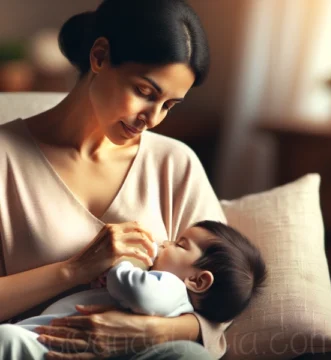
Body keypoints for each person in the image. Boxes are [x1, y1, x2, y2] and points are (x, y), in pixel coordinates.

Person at [0, 0, 235, 359]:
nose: (152, 118)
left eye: (169, 105)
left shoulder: (175, 164)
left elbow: (223, 302)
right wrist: (74, 270)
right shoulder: (5, 158)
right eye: (145, 92)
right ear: (99, 56)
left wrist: (149, 332)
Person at [16, 221, 267, 332]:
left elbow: (137, 291)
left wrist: (122, 263)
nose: (165, 243)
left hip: (52, 340)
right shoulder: (170, 298)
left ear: (198, 281)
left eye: (179, 244)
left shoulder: (172, 288)